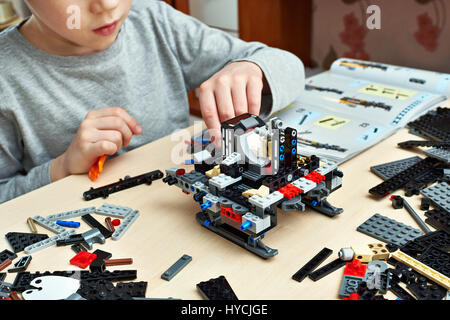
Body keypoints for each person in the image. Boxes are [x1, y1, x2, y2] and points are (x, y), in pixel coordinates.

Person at [0, 0, 305, 204]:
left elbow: (289, 66)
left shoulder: (152, 19)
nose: (106, 5)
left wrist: (253, 69)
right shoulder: (6, 74)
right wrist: (62, 167)